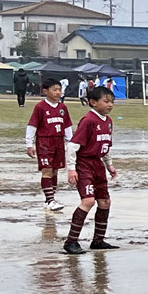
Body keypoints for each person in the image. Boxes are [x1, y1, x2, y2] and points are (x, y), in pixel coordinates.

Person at [62, 84, 118, 254]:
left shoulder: (108, 122)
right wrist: (71, 169)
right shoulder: (88, 121)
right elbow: (72, 146)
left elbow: (105, 146)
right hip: (84, 164)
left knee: (105, 202)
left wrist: (109, 165)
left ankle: (98, 241)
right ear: (93, 102)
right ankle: (71, 242)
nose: (110, 105)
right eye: (106, 101)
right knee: (88, 201)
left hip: (98, 165)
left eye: (112, 101)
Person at [26, 77, 73, 212]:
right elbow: (32, 125)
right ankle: (51, 200)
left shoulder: (63, 108)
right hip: (44, 142)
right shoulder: (40, 107)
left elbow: (67, 126)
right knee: (47, 170)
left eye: (60, 90)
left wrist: (71, 143)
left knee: (55, 170)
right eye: (55, 90)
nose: (58, 92)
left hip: (58, 142)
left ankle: (50, 199)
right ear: (45, 91)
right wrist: (29, 144)